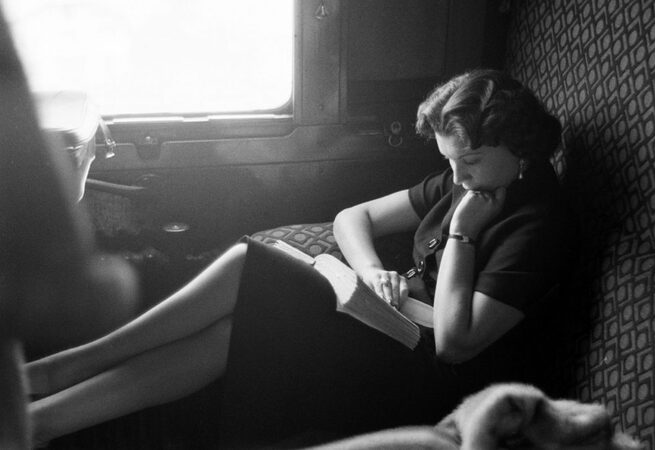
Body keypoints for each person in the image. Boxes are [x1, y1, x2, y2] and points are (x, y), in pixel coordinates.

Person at [26, 69, 569, 447]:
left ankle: (65, 371)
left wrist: (464, 235)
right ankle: (44, 418)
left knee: (251, 264)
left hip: (429, 379)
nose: (457, 177)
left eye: (469, 161)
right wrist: (371, 273)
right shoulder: (474, 180)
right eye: (449, 161)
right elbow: (354, 217)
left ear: (520, 148)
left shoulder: (537, 226)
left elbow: (455, 345)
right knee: (231, 334)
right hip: (397, 325)